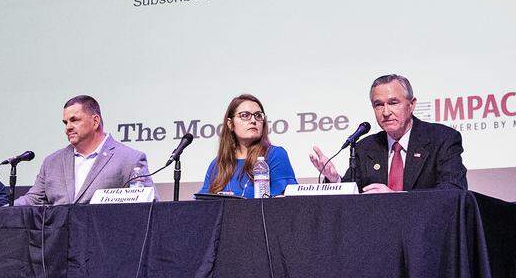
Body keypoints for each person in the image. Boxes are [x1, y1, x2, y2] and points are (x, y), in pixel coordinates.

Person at [310, 74, 467, 192]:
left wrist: (395, 199)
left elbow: (453, 191)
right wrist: (335, 180)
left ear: (412, 105)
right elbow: (352, 198)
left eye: (393, 103)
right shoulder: (365, 147)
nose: (385, 112)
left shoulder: (442, 138)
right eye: (378, 105)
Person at [15, 95, 154, 206]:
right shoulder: (52, 162)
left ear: (95, 121)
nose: (68, 127)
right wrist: (3, 209)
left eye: (74, 120)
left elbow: (149, 208)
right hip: (59, 234)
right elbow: (32, 200)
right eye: (65, 122)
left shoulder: (130, 159)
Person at [197, 94, 297, 198]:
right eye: (245, 115)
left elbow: (285, 201)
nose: (253, 120)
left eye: (258, 115)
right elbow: (202, 203)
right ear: (230, 124)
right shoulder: (217, 164)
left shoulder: (275, 155)